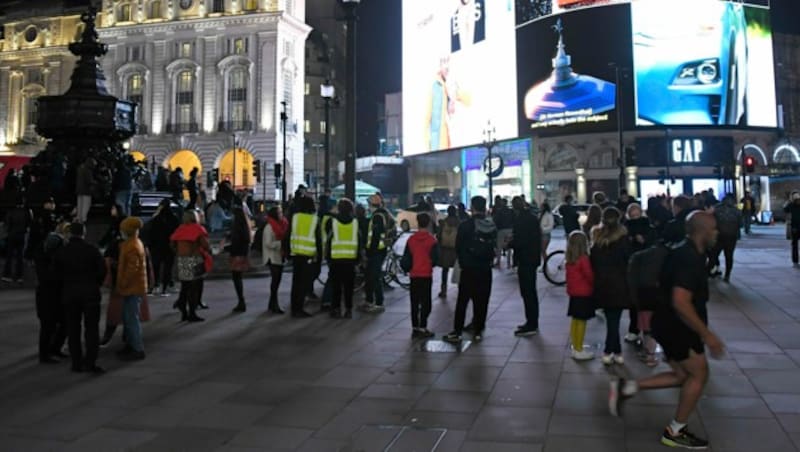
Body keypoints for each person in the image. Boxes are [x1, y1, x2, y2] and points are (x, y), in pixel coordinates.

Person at [610, 212, 724, 450]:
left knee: (683, 376)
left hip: (666, 323)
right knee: (699, 375)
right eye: (713, 229)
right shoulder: (689, 258)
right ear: (702, 231)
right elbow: (681, 301)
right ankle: (675, 430)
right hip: (679, 328)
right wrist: (708, 335)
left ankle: (627, 387)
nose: (717, 233)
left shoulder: (686, 252)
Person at [53, 222, 106, 374]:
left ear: (69, 234)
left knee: (73, 329)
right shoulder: (92, 250)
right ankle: (90, 362)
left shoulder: (62, 252)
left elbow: (55, 273)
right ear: (84, 233)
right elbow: (102, 270)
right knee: (91, 330)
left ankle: (76, 363)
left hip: (70, 294)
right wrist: (95, 283)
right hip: (90, 293)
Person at [443, 196, 497, 343]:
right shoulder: (491, 225)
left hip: (468, 269)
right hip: (485, 269)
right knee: (482, 302)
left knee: (463, 301)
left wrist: (463, 261)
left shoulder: (465, 225)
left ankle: (457, 332)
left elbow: (458, 247)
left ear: (472, 207)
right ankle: (478, 330)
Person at [590, 207, 632, 365]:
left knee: (611, 319)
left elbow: (593, 261)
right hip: (619, 283)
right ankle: (613, 351)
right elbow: (628, 260)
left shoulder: (597, 239)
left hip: (602, 283)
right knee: (614, 318)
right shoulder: (623, 239)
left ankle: (612, 351)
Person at [34, 222, 69, 363]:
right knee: (52, 325)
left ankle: (50, 351)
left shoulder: (41, 253)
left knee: (50, 325)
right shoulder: (52, 259)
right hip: (53, 294)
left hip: (46, 294)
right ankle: (47, 353)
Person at [116, 217, 148, 361]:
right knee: (129, 317)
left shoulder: (131, 245)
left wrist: (123, 282)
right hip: (135, 286)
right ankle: (131, 345)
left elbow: (131, 268)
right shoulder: (135, 243)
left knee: (131, 319)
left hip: (132, 287)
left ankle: (137, 348)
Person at [509, 196, 541, 336]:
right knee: (530, 291)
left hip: (525, 259)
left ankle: (531, 323)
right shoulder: (532, 218)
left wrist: (510, 244)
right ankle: (532, 321)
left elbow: (520, 241)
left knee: (527, 292)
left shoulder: (521, 220)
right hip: (532, 258)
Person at [403, 213, 438, 338]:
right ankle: (423, 326)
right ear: (428, 223)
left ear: (417, 223)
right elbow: (435, 259)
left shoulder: (411, 240)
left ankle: (415, 327)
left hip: (414, 274)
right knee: (426, 302)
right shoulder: (431, 240)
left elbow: (406, 258)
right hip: (426, 274)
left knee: (414, 301)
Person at [171, 210, 210, 322]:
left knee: (185, 287)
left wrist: (178, 251)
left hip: (182, 259)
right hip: (194, 259)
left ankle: (183, 311)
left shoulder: (180, 229)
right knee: (194, 288)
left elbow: (172, 243)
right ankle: (192, 313)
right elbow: (205, 244)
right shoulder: (198, 228)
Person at [623, 203, 654, 344]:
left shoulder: (645, 226)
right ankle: (638, 329)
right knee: (636, 300)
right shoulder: (627, 227)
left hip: (642, 267)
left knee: (641, 300)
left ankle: (642, 329)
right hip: (638, 267)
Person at [326, 198, 362, 318]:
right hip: (350, 259)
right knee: (349, 287)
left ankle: (336, 308)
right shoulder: (355, 223)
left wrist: (328, 258)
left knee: (336, 286)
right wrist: (358, 259)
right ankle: (348, 309)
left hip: (336, 259)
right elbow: (359, 241)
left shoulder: (333, 222)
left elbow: (329, 241)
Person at [565, 231, 595, 360]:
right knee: (582, 321)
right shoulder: (584, 259)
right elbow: (589, 276)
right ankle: (579, 348)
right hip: (584, 293)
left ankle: (575, 346)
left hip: (574, 293)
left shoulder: (570, 259)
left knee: (575, 320)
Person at [288, 195, 319, 318]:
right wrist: (319, 255)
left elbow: (288, 234)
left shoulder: (295, 217)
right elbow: (318, 239)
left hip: (296, 253)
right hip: (308, 255)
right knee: (303, 283)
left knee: (296, 282)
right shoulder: (314, 219)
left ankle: (294, 307)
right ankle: (299, 308)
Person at [363, 194, 392, 313]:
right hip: (381, 250)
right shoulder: (384, 214)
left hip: (376, 251)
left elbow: (375, 236)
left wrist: (369, 251)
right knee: (372, 277)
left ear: (371, 204)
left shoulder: (377, 217)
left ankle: (378, 302)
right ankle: (370, 301)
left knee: (374, 277)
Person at [146, 199, 179, 296]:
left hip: (156, 246)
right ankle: (165, 287)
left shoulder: (156, 218)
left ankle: (156, 285)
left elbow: (150, 232)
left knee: (156, 266)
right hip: (169, 246)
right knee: (167, 268)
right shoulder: (174, 218)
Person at [262, 206, 288, 314]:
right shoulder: (269, 227)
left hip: (279, 256)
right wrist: (281, 244)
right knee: (275, 282)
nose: (282, 214)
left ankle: (272, 304)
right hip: (272, 257)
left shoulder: (282, 224)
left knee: (277, 281)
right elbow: (268, 243)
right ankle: (274, 304)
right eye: (279, 213)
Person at [226, 207, 251, 313]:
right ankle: (241, 301)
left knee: (236, 278)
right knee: (238, 278)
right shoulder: (245, 227)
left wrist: (225, 248)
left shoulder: (237, 228)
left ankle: (241, 301)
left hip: (236, 255)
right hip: (243, 254)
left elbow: (235, 244)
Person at [711, 194, 741, 282]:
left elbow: (712, 221)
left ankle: (710, 270)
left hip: (719, 235)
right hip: (732, 236)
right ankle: (727, 275)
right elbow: (740, 224)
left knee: (714, 254)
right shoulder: (737, 211)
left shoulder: (717, 209)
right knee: (729, 256)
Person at [2, 197, 31, 283]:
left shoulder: (11, 212)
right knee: (19, 257)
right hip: (21, 235)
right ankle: (19, 276)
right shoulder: (26, 212)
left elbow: (7, 224)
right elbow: (28, 223)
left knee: (9, 256)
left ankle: (7, 275)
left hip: (12, 235)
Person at [437, 205, 460, 298]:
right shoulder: (459, 223)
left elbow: (438, 236)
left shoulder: (443, 222)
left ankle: (443, 290)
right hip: (456, 250)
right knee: (459, 270)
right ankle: (461, 288)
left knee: (445, 271)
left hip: (445, 249)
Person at [492, 198, 514, 268]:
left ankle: (498, 262)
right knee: (509, 247)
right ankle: (509, 263)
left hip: (501, 230)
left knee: (499, 246)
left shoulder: (499, 211)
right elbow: (514, 219)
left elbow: (495, 220)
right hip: (510, 229)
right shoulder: (511, 211)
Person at [75, 158, 95, 223]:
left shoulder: (80, 168)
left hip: (79, 190)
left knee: (79, 205)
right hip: (86, 191)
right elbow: (89, 181)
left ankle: (79, 218)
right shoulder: (88, 170)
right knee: (86, 205)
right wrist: (94, 183)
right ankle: (83, 219)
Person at [786, 191, 800, 267]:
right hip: (794, 227)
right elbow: (785, 209)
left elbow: (785, 209)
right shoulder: (791, 205)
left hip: (795, 227)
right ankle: (795, 261)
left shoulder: (791, 205)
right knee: (794, 245)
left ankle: (795, 261)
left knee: (795, 245)